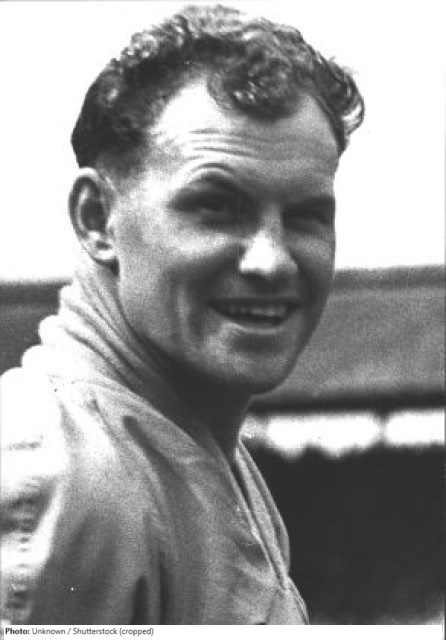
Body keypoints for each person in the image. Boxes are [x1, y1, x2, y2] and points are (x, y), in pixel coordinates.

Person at [0, 3, 364, 625]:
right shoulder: (63, 476)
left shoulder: (181, 435)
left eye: (306, 216)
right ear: (97, 219)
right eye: (216, 207)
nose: (272, 261)